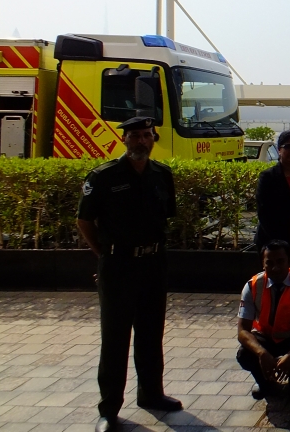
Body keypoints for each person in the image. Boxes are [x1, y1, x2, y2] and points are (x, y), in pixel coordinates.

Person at [76, 116, 182, 432]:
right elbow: (84, 221)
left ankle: (151, 393)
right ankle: (109, 409)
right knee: (115, 338)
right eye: (134, 135)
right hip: (118, 267)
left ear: (153, 139)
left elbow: (166, 216)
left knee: (151, 333)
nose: (141, 141)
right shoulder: (104, 176)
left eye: (146, 135)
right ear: (124, 139)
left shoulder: (162, 175)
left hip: (153, 263)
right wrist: (104, 257)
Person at [237, 240, 290, 399]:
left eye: (280, 261)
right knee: (244, 354)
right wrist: (262, 353)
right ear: (263, 264)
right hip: (265, 338)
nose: (275, 268)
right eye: (269, 263)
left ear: (289, 261)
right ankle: (264, 381)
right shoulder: (252, 286)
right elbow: (242, 331)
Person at [254, 130, 290, 270]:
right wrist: (284, 245)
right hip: (271, 244)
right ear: (279, 149)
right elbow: (264, 212)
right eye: (288, 146)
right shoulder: (267, 177)